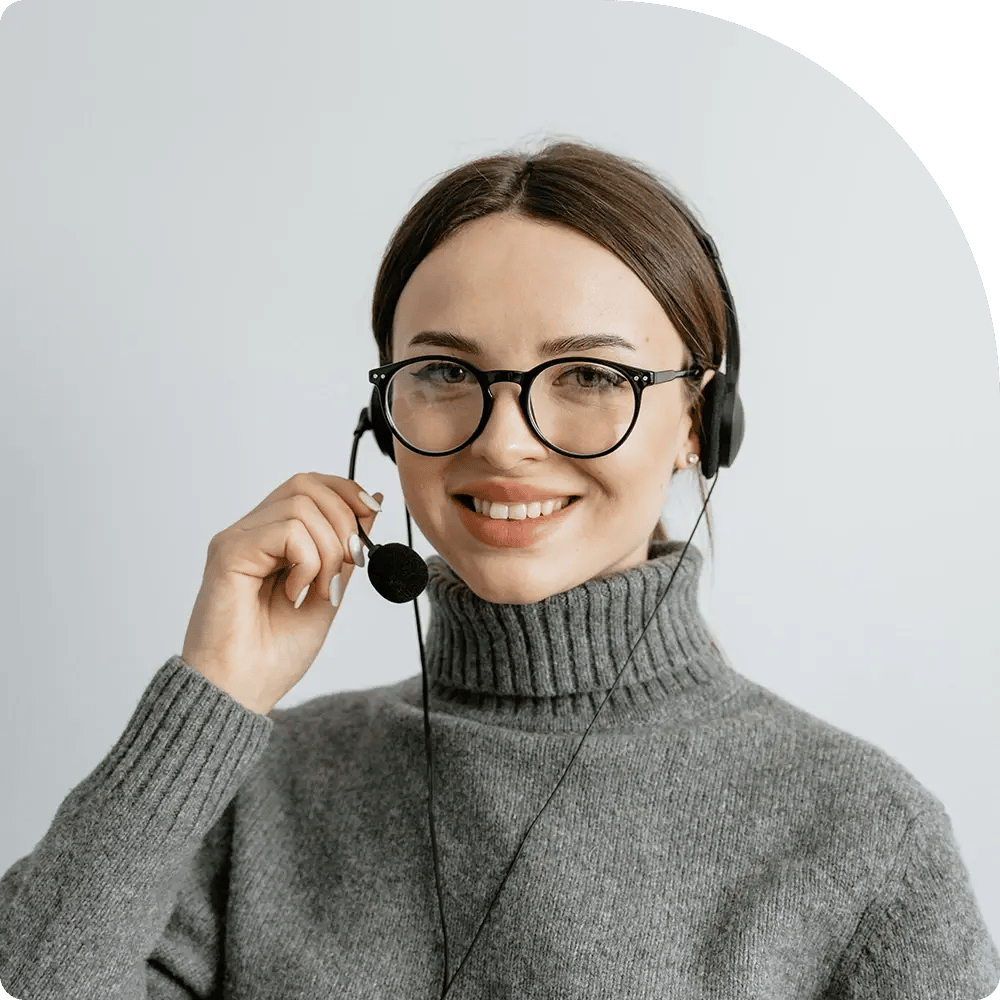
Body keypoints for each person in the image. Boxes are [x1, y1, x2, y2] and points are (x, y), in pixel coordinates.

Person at [1, 138, 997, 1000]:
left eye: (589, 377)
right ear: (382, 423)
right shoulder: (247, 794)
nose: (507, 441)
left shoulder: (863, 832)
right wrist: (207, 700)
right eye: (444, 373)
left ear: (698, 422)